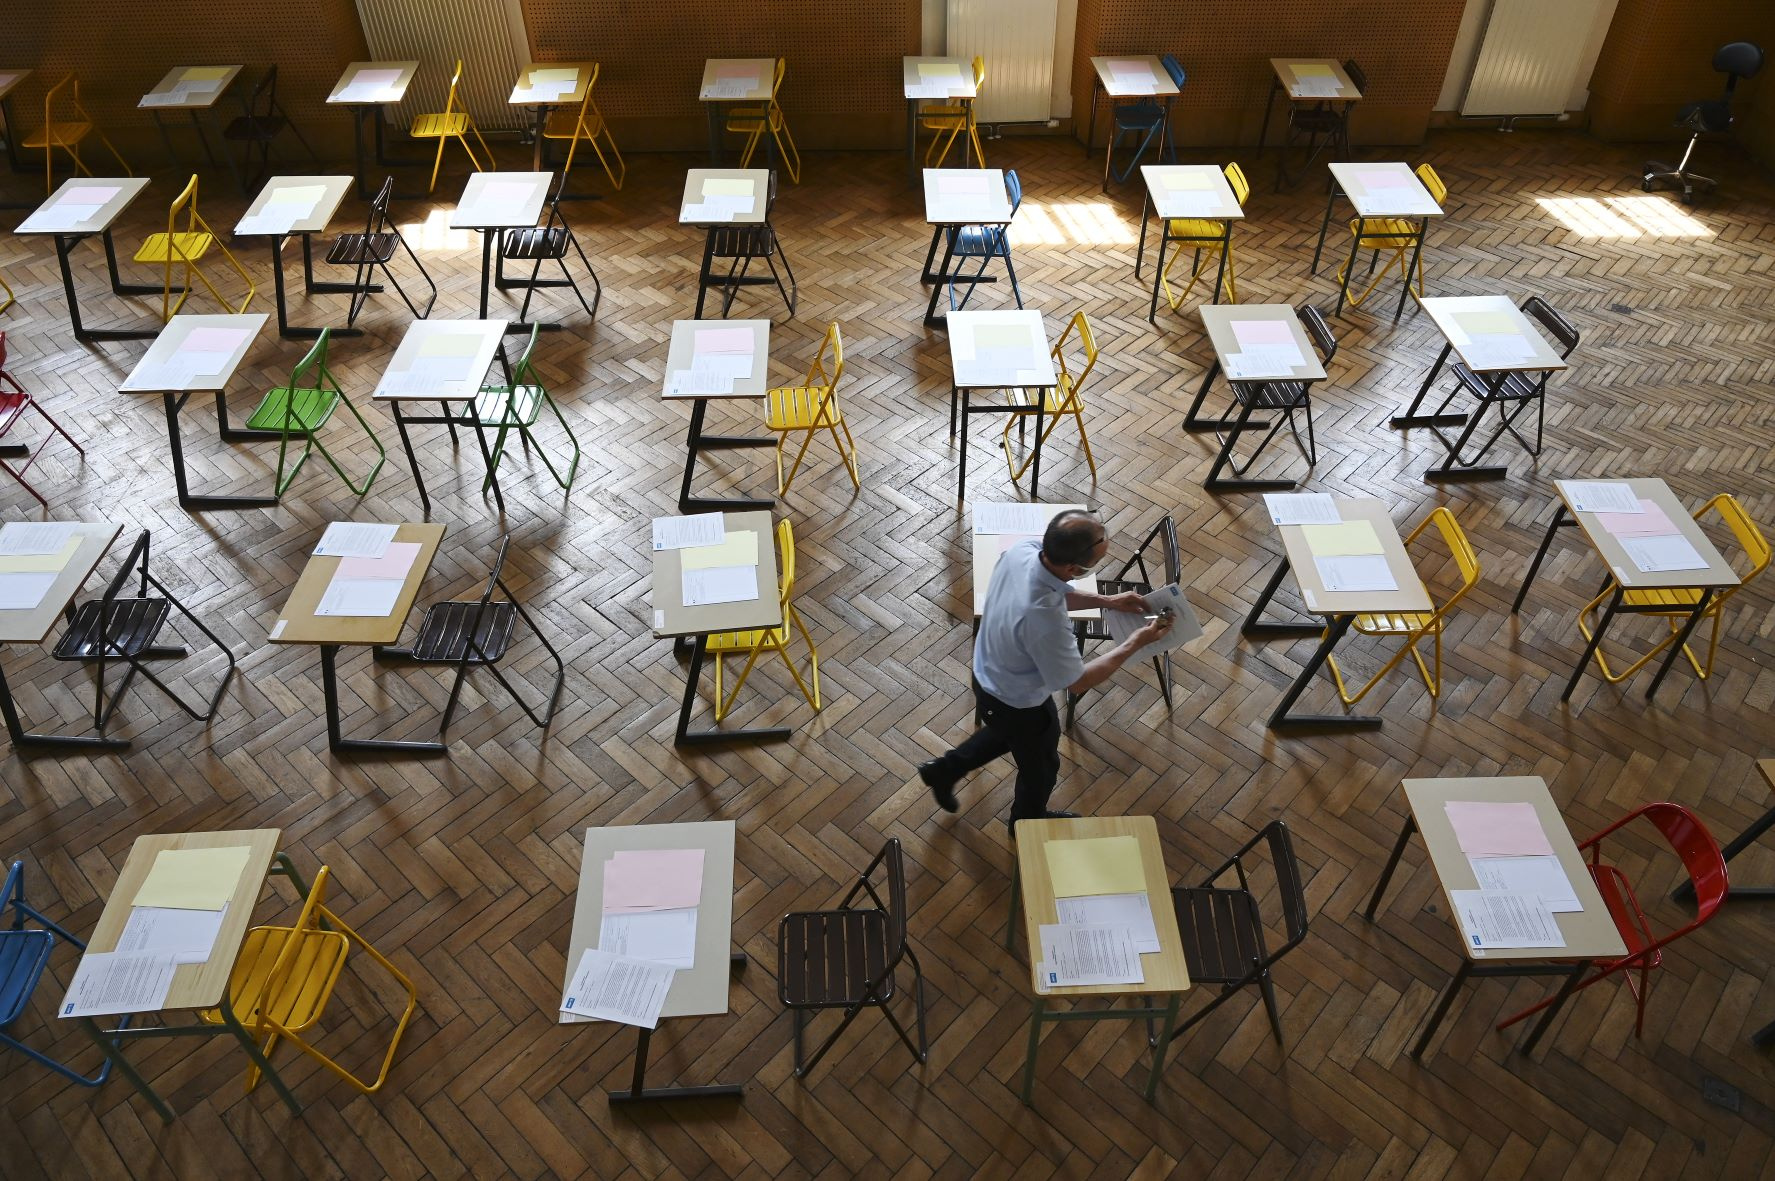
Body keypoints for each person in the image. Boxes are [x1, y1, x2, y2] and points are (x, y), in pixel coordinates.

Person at [920, 509, 1174, 835]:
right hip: (1017, 699)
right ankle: (1026, 824)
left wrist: (1108, 601)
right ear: (1073, 568)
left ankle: (943, 771)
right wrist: (1134, 642)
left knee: (1005, 733)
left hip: (988, 674)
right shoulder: (1044, 620)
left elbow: (1055, 589)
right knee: (1041, 767)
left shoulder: (1023, 551)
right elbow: (1078, 681)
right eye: (1093, 564)